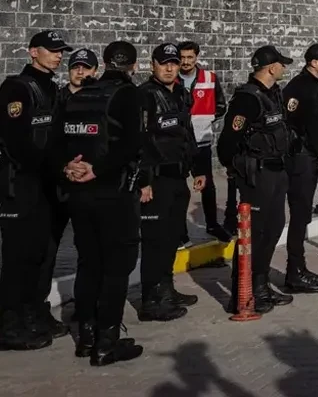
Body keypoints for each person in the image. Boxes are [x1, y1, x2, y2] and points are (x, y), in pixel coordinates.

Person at [55, 40, 145, 366]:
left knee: (89, 263)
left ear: (104, 62)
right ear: (133, 66)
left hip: (79, 195)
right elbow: (133, 144)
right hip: (113, 195)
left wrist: (69, 166)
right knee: (116, 268)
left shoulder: (79, 96)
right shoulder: (128, 95)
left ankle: (86, 337)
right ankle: (107, 342)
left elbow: (58, 141)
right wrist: (97, 169)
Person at [0, 30, 69, 350]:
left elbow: (56, 139)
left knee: (40, 254)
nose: (58, 56)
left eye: (60, 51)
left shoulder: (52, 89)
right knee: (17, 257)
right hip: (20, 185)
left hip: (46, 186)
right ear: (32, 52)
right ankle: (9, 324)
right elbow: (16, 143)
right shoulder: (17, 88)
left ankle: (31, 313)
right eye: (51, 50)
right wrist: (56, 167)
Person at [30, 47, 99, 347]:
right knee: (46, 251)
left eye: (86, 68)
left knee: (88, 249)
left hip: (87, 186)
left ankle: (85, 308)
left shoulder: (100, 100)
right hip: (58, 185)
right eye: (76, 67)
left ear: (95, 71)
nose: (80, 73)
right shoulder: (55, 99)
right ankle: (37, 309)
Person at [218, 45, 296, 313]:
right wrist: (238, 168)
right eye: (281, 64)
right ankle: (243, 290)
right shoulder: (247, 99)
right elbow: (228, 140)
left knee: (274, 227)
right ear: (272, 67)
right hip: (257, 174)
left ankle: (260, 285)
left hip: (276, 171)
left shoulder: (273, 94)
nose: (284, 68)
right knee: (254, 232)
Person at [136, 43, 204, 321]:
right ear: (152, 64)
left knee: (171, 239)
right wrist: (144, 180)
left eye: (173, 63)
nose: (169, 67)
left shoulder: (180, 94)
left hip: (178, 177)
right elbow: (139, 140)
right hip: (156, 179)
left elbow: (188, 133)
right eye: (163, 63)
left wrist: (199, 169)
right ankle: (151, 301)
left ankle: (167, 289)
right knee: (155, 241)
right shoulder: (144, 96)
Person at [280, 43, 318, 294]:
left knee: (303, 215)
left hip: (308, 155)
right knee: (299, 212)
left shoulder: (313, 86)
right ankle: (294, 273)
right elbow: (291, 121)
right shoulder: (299, 88)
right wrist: (308, 146)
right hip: (300, 157)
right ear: (314, 62)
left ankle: (299, 268)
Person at [177, 41, 231, 243]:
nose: (185, 62)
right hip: (179, 144)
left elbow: (221, 105)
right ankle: (180, 232)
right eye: (182, 57)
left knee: (207, 185)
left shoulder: (209, 78)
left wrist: (206, 118)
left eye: (190, 57)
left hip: (201, 141)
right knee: (179, 189)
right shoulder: (172, 78)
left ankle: (212, 224)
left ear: (196, 57)